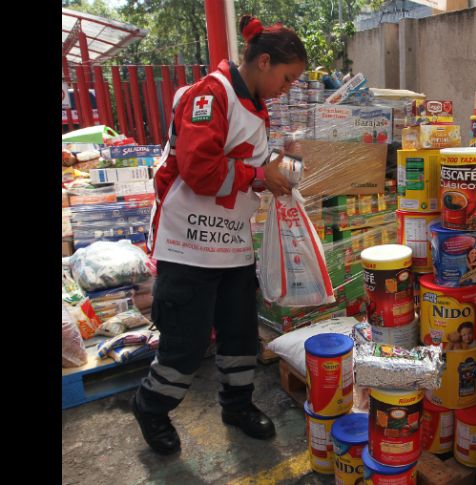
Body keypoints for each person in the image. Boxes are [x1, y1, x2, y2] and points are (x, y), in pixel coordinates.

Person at [130, 15, 307, 455]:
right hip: (187, 243)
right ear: (264, 61)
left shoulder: (256, 106)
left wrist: (280, 170)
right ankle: (152, 407)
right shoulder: (209, 95)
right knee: (185, 344)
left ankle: (237, 405)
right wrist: (257, 175)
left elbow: (253, 164)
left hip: (230, 244)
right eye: (287, 78)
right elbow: (200, 171)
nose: (288, 88)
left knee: (239, 335)